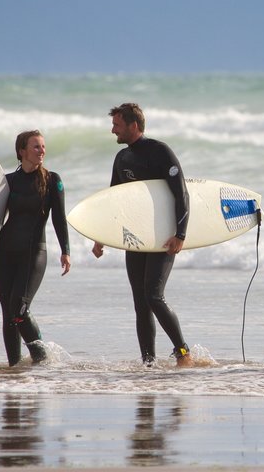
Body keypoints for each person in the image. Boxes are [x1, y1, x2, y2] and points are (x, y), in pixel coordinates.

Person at [92, 103, 193, 367]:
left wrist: (180, 234)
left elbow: (181, 194)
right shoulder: (121, 158)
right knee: (140, 302)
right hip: (136, 239)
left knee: (153, 295)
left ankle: (183, 353)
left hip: (163, 236)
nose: (113, 130)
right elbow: (114, 200)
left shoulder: (160, 152)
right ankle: (148, 362)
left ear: (133, 125)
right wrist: (101, 235)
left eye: (117, 125)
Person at [0, 130, 71, 366]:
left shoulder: (53, 180)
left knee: (20, 310)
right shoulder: (8, 182)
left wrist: (66, 251)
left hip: (34, 253)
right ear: (21, 151)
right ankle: (14, 369)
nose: (41, 150)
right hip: (5, 253)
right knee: (9, 317)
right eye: (35, 147)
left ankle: (42, 361)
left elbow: (59, 219)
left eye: (43, 146)